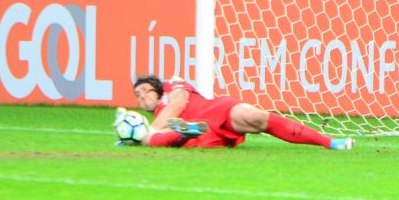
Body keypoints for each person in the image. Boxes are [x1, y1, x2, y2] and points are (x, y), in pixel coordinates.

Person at [127, 76, 354, 150]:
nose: (143, 96)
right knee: (155, 138)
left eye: (146, 90)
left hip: (215, 111)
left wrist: (152, 130)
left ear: (156, 90)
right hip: (202, 134)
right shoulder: (157, 120)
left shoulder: (172, 86)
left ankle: (330, 142)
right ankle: (186, 133)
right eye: (138, 95)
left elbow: (178, 103)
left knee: (257, 118)